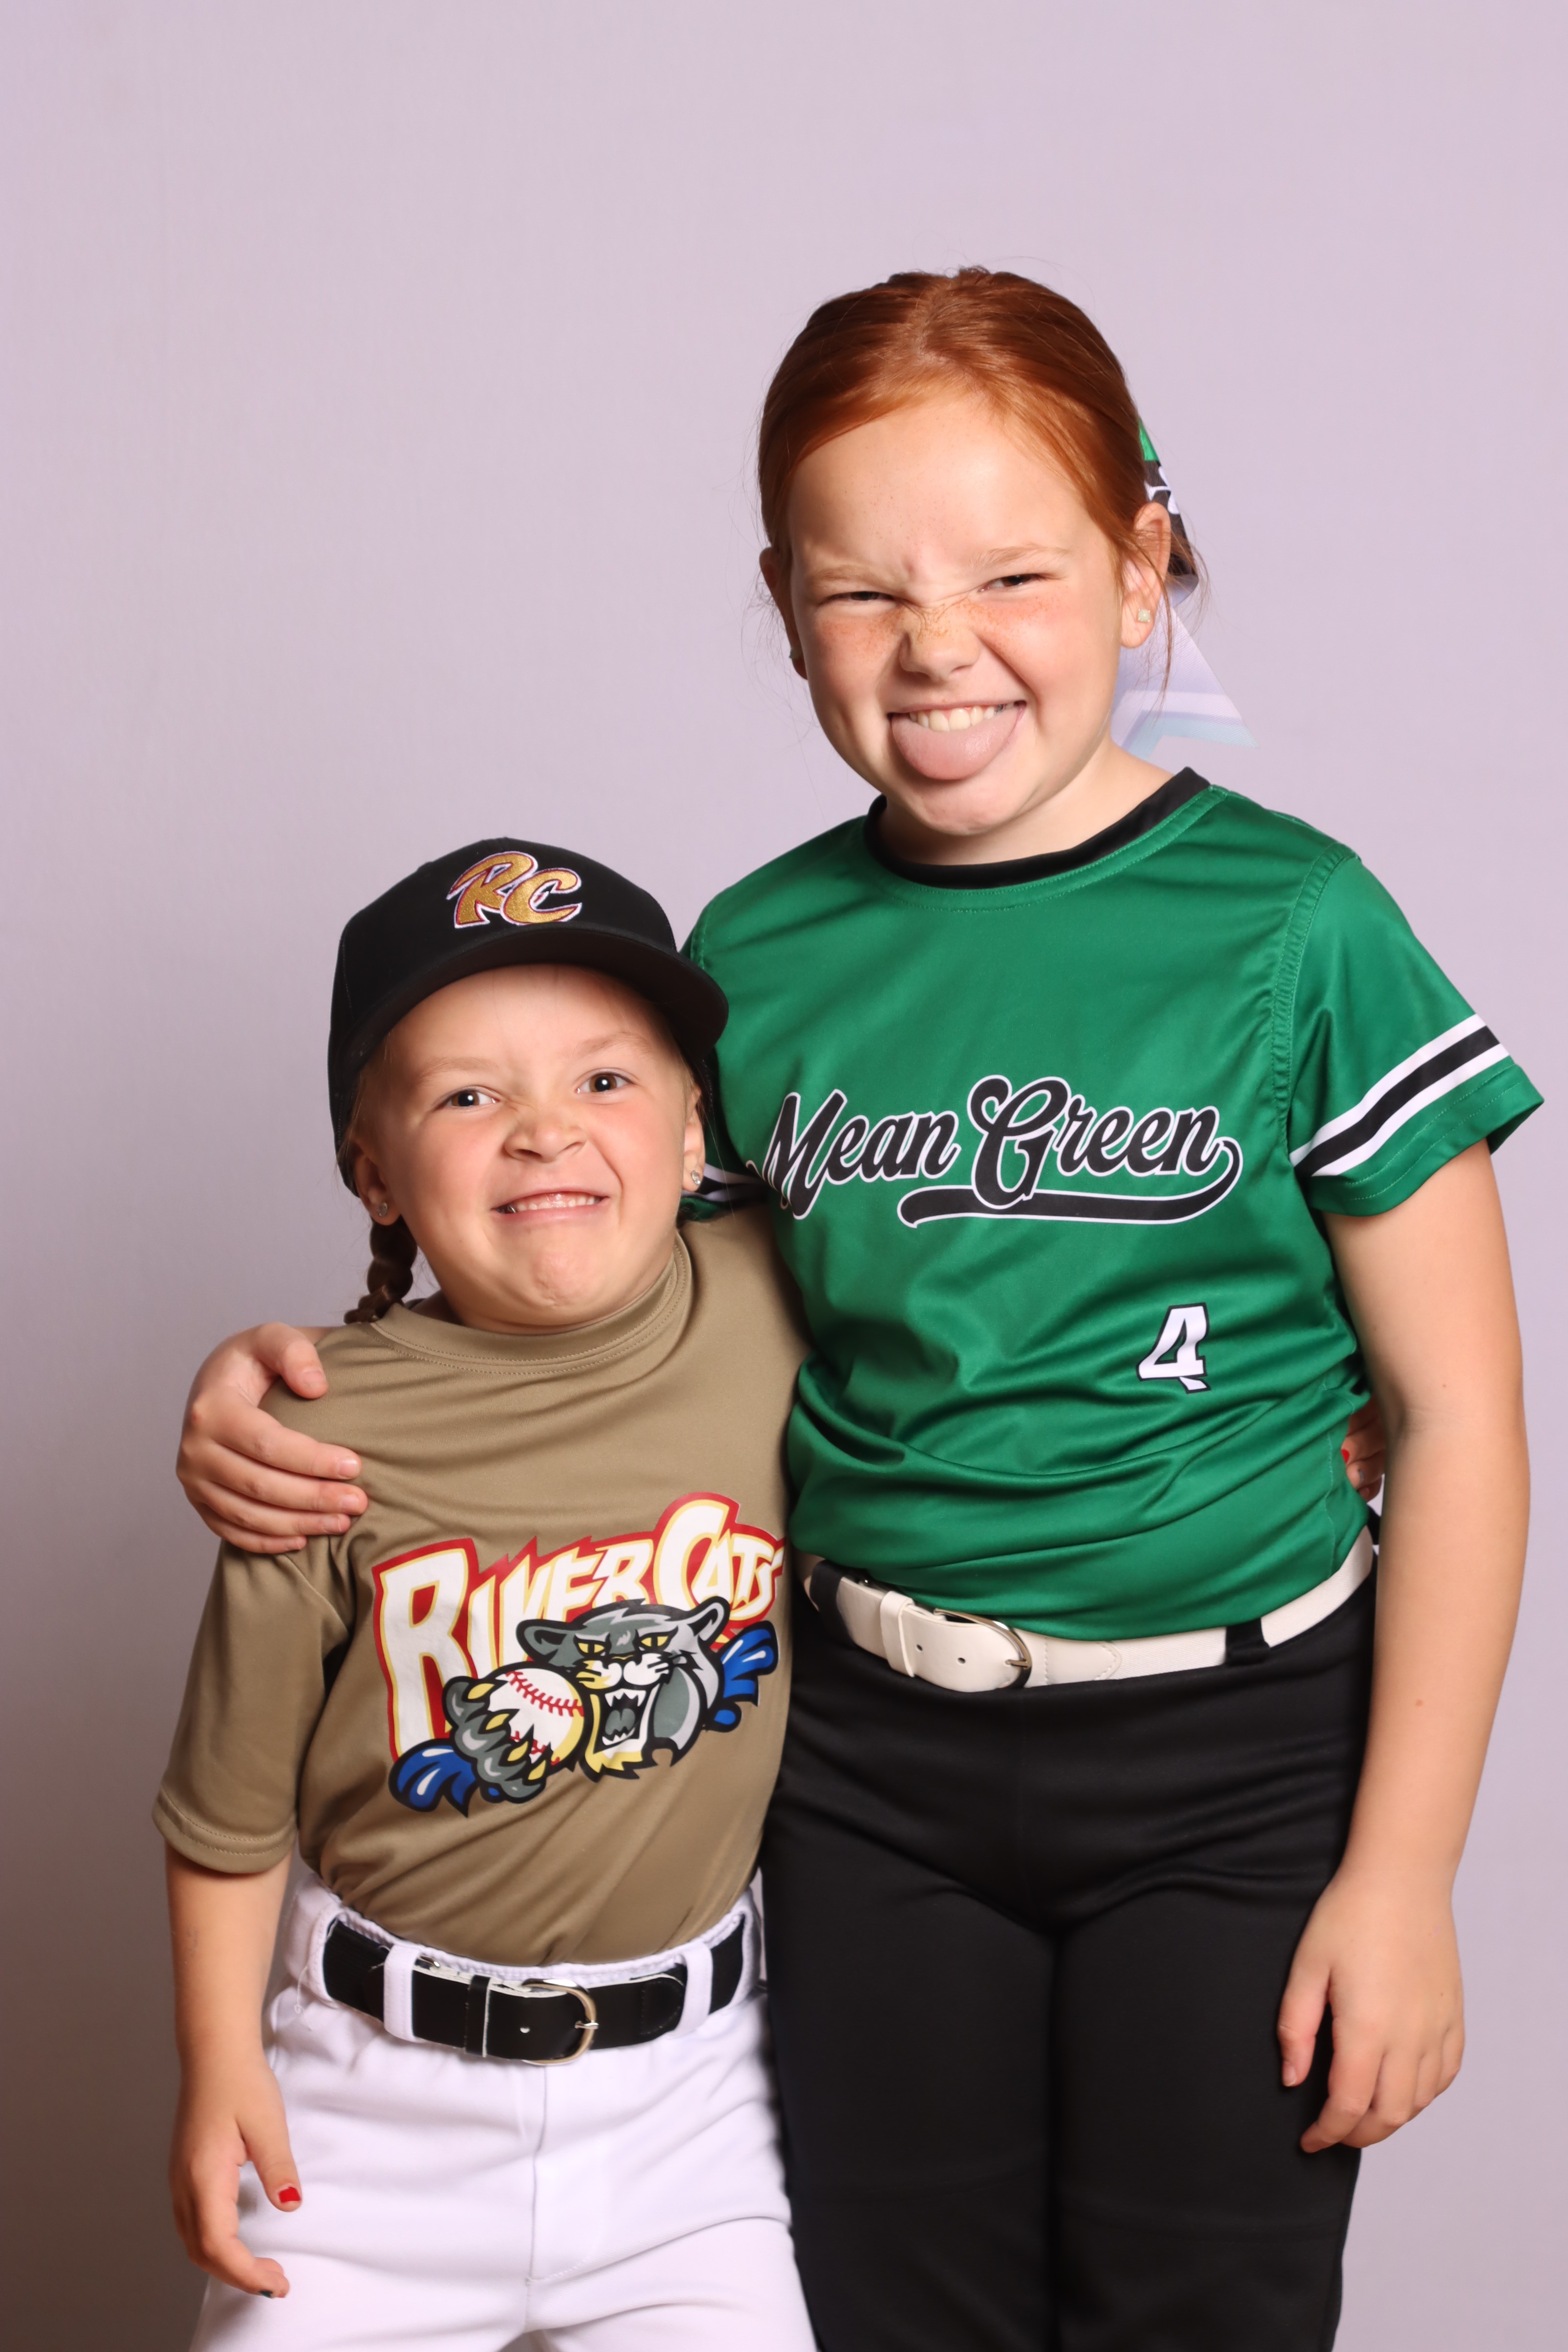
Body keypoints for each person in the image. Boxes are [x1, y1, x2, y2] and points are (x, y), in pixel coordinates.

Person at [173, 269, 1533, 2352]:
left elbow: (1457, 1423)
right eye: (861, 593)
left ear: (1140, 562)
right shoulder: (761, 955)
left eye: (1013, 574)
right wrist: (279, 1387)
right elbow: (608, 1324)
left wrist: (1404, 1871)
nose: (938, 645)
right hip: (867, 1768)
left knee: (1205, 2309)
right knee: (897, 2314)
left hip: (1238, 1763)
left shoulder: (1297, 924)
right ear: (784, 606)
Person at [156, 838, 816, 2351]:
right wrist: (217, 2068)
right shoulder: (312, 1431)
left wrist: (1330, 1390)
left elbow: (1015, 1295)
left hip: (694, 2116)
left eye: (606, 1080)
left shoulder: (778, 1297)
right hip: (368, 2113)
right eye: (468, 1097)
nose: (544, 1133)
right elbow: (226, 1812)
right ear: (373, 1171)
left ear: (695, 1128)